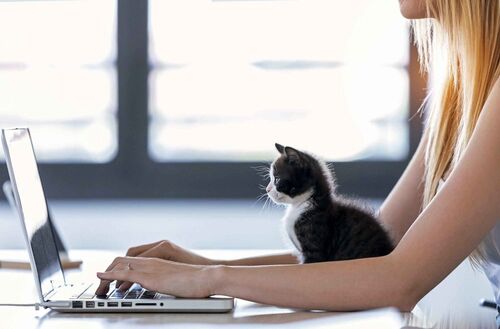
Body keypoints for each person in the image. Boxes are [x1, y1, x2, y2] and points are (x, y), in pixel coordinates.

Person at [96, 0, 500, 315]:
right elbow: (375, 253)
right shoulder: (461, 96)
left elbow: (399, 282)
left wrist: (208, 278)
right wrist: (199, 266)